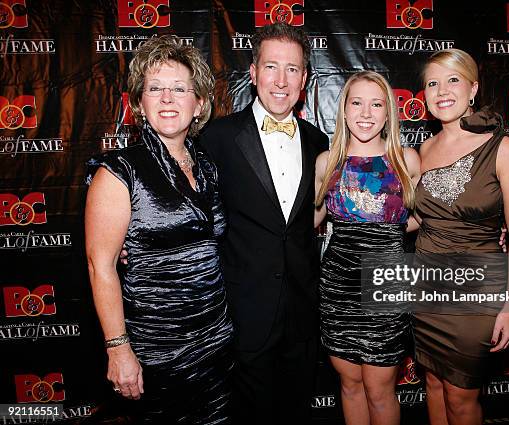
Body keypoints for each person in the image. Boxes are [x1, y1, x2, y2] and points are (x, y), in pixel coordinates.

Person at [85, 35, 232, 423]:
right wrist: (118, 349)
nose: (167, 98)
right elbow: (100, 265)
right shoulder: (119, 172)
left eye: (179, 88)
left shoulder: (209, 167)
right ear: (139, 102)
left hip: (217, 344)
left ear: (199, 103)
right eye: (155, 88)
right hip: (157, 353)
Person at [198, 23, 329, 425]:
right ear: (253, 73)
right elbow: (189, 209)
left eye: (292, 69)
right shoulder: (216, 137)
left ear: (304, 79)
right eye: (271, 67)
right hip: (243, 309)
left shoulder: (319, 141)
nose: (281, 80)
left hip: (303, 310)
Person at [412, 48, 509, 425]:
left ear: (473, 89)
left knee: (462, 399)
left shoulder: (503, 149)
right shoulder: (423, 150)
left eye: (452, 80)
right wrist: (363, 215)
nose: (442, 90)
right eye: (432, 83)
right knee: (432, 384)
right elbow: (417, 219)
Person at [314, 71, 421, 425]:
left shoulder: (407, 160)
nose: (365, 113)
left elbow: (422, 218)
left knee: (379, 389)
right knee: (350, 383)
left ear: (388, 112)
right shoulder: (325, 162)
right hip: (338, 285)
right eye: (356, 102)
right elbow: (304, 222)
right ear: (343, 110)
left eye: (376, 104)